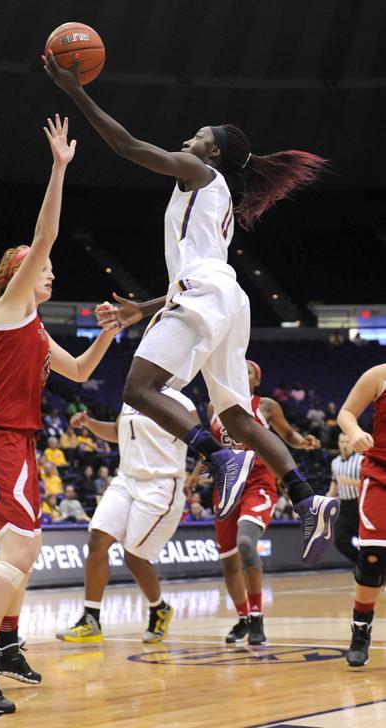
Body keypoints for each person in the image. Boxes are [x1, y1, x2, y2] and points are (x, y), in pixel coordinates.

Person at [43, 52, 339, 564]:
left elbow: (126, 145)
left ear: (215, 152)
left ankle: (217, 458)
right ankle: (306, 497)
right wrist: (147, 307)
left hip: (205, 293)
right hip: (223, 295)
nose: (188, 140)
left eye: (200, 135)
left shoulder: (199, 172)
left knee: (139, 388)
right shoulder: (215, 192)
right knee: (239, 417)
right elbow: (201, 268)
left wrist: (75, 90)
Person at [0, 116, 118, 716]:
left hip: (18, 442)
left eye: (43, 266)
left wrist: (110, 334)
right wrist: (59, 167)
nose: (47, 268)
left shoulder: (36, 327)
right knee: (19, 547)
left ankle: (10, 642)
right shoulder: (10, 304)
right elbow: (44, 236)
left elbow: (76, 373)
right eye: (35, 264)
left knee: (28, 548)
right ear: (15, 274)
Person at [191, 360, 320, 645]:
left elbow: (286, 436)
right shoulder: (215, 406)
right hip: (225, 487)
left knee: (246, 544)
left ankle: (258, 615)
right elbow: (210, 450)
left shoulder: (266, 406)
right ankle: (243, 619)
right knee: (228, 561)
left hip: (258, 482)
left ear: (256, 381)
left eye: (248, 371)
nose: (241, 372)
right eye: (238, 368)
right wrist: (194, 475)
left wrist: (303, 442)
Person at [57, 388, 197, 644]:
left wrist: (205, 468)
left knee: (134, 557)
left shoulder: (182, 402)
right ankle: (91, 619)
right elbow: (118, 433)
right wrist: (89, 423)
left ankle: (159, 608)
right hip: (127, 479)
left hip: (161, 483)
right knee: (97, 540)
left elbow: (199, 439)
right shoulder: (133, 393)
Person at [337, 364, 386, 667]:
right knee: (372, 557)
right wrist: (354, 432)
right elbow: (346, 413)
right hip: (380, 473)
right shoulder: (379, 375)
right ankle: (360, 629)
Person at [328, 432, 362, 565]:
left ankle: (376, 567)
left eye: (347, 442)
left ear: (353, 444)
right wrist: (329, 495)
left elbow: (368, 484)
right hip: (344, 507)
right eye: (342, 442)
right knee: (340, 540)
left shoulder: (360, 460)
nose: (344, 445)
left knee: (368, 543)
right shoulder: (335, 462)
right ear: (338, 444)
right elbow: (335, 482)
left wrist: (350, 482)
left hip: (360, 506)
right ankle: (362, 565)